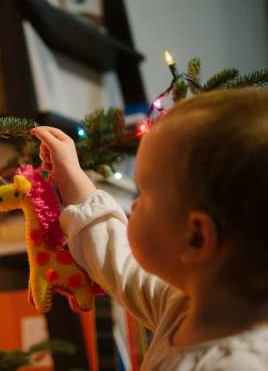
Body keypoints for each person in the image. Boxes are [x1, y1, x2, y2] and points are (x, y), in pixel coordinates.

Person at [31, 87, 268, 370]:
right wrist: (72, 179)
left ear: (196, 237)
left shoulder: (239, 364)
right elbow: (120, 266)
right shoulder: (184, 303)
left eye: (141, 194)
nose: (133, 206)